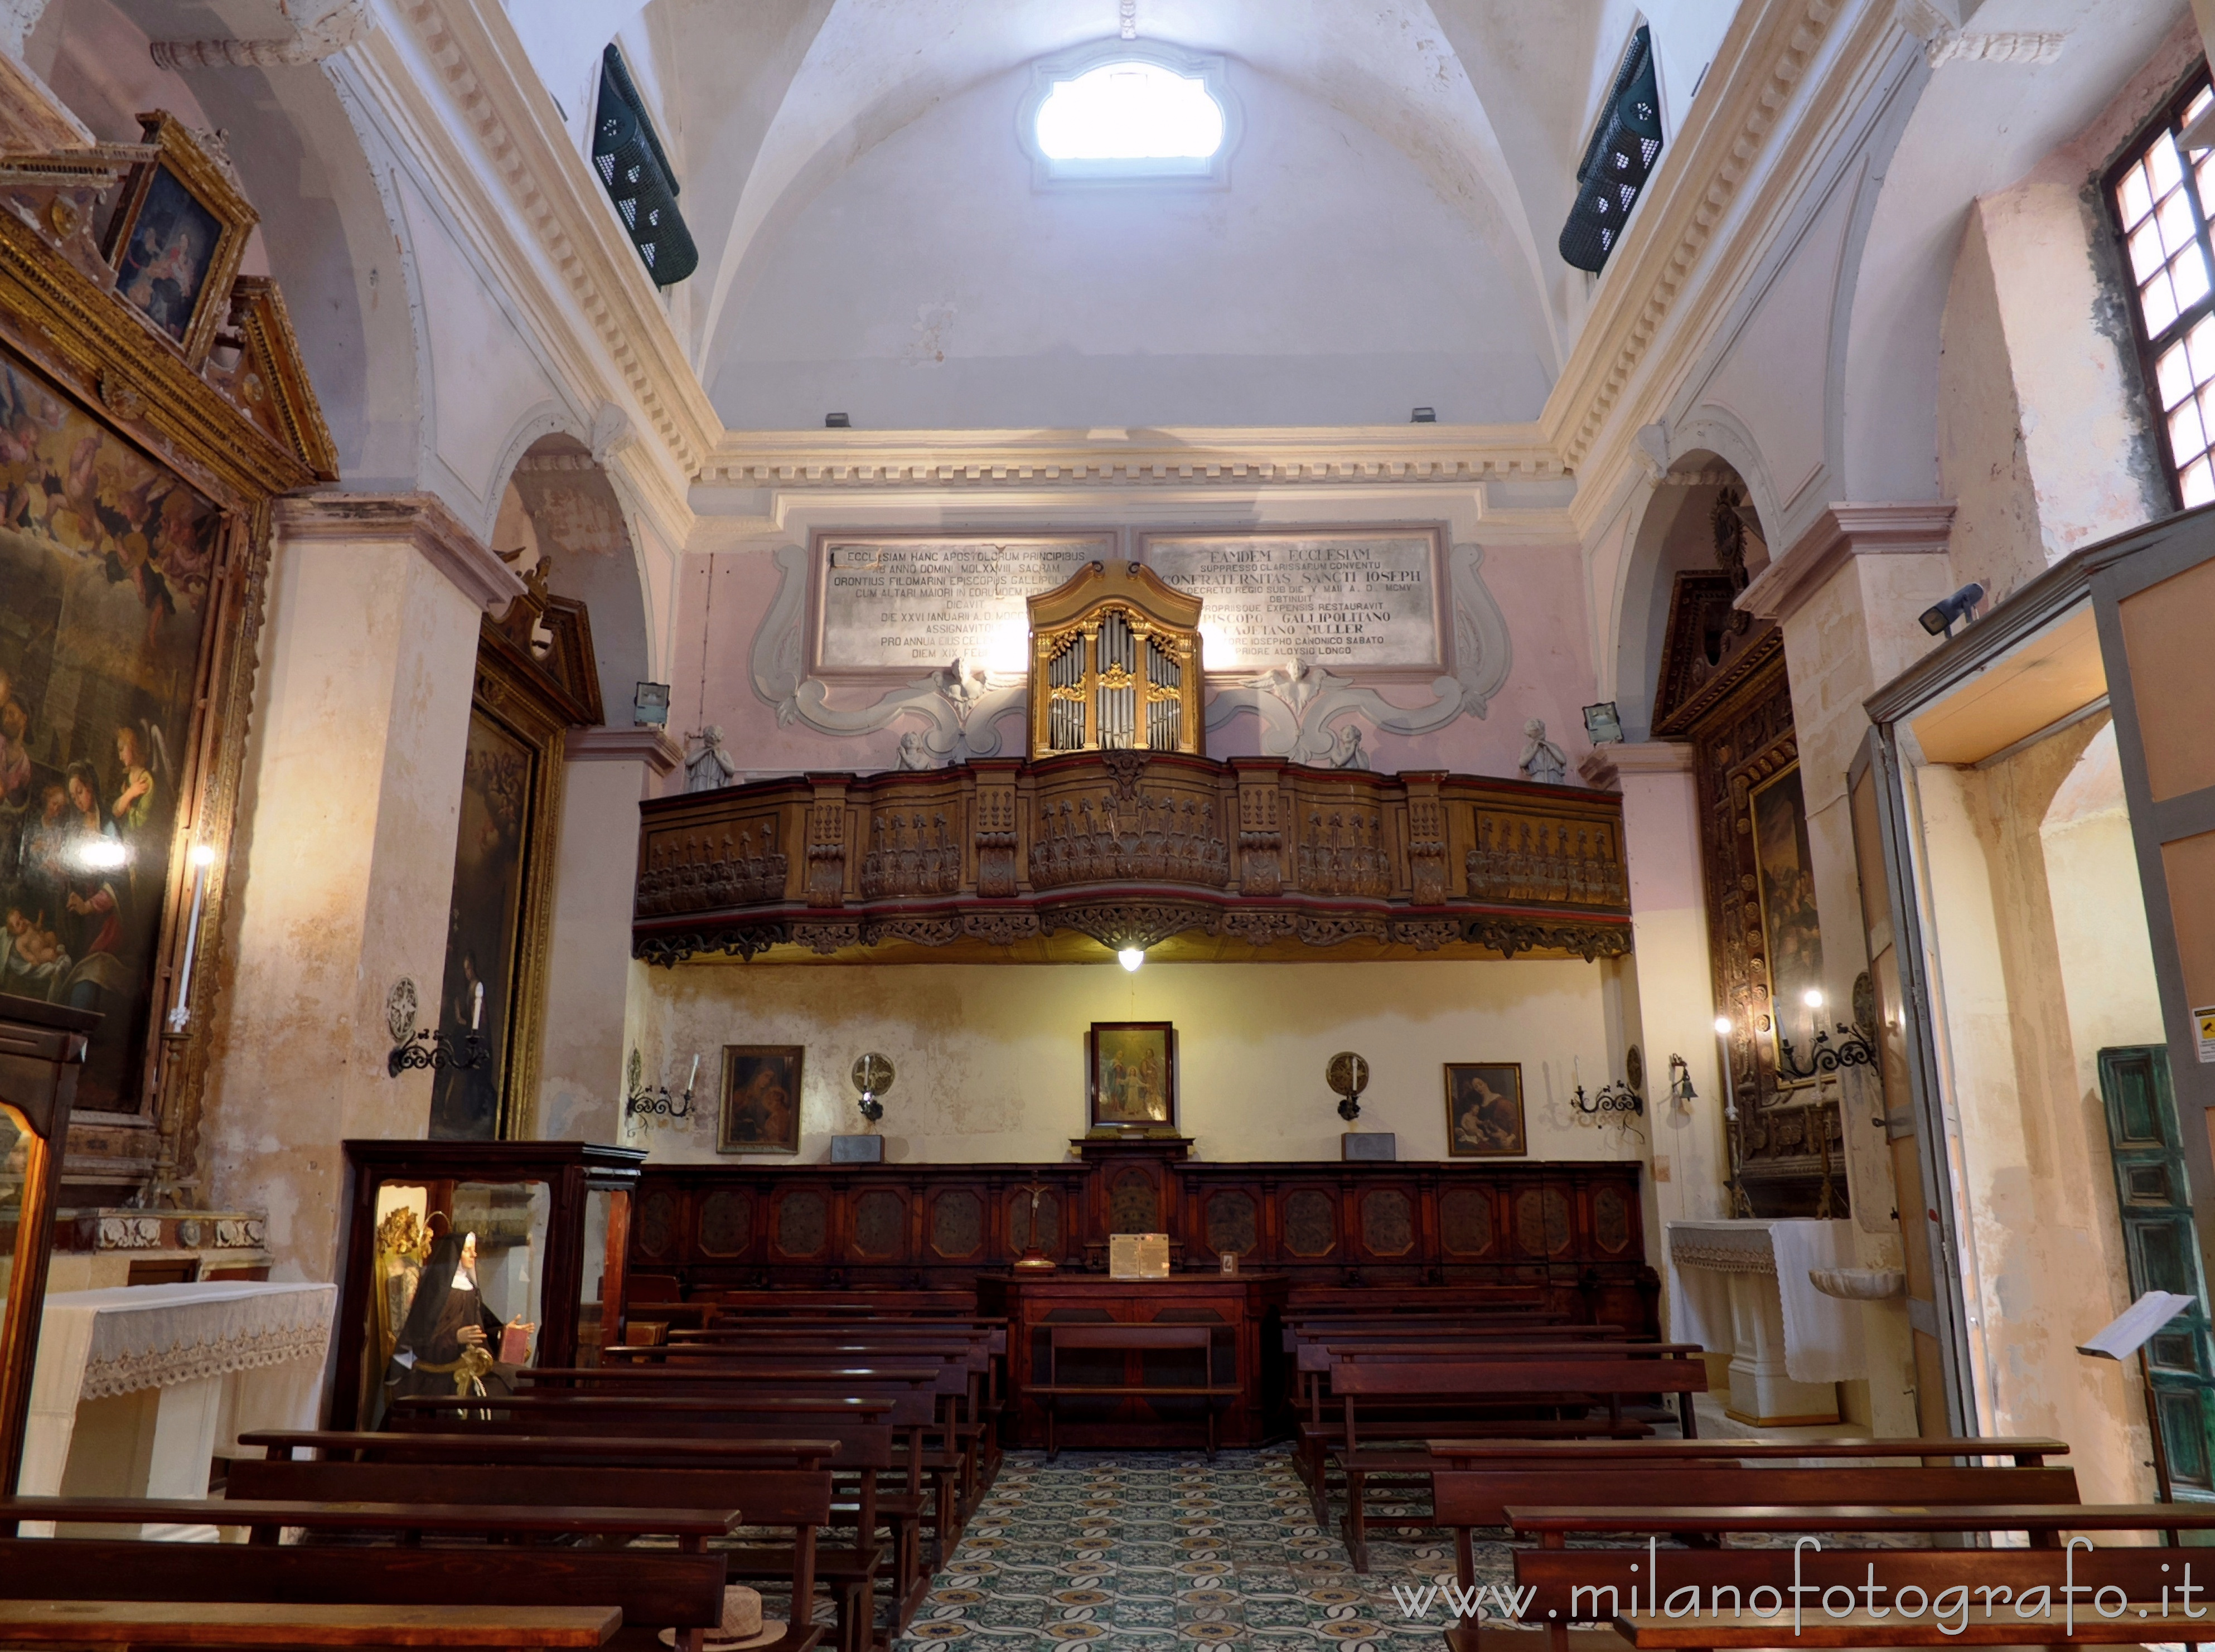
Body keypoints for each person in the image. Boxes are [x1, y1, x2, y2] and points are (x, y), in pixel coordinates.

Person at [382, 1230, 534, 1407]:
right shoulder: (436, 1292)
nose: (474, 1254)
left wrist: (504, 1333)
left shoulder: (471, 1290)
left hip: (475, 1365)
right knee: (502, 1388)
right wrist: (455, 1338)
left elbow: (482, 1330)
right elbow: (420, 1342)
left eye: (474, 1250)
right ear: (454, 1254)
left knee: (523, 1378)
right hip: (443, 1373)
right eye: (468, 1250)